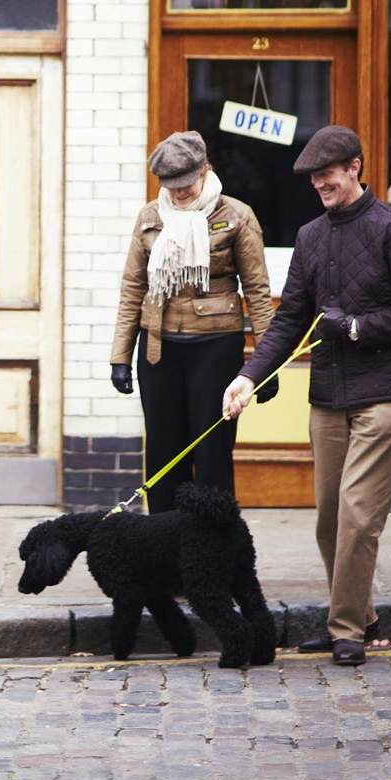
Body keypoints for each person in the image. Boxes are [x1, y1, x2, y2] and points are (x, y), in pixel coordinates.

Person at [222, 125, 391, 666]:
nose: (320, 182)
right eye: (314, 176)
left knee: (358, 514)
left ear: (356, 168)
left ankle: (345, 628)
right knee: (328, 518)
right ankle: (361, 614)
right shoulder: (310, 237)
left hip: (386, 392)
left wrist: (358, 328)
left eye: (329, 172)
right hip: (328, 395)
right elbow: (291, 317)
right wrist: (249, 375)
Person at [110, 130, 277, 513]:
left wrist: (265, 365)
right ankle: (163, 548)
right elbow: (133, 286)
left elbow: (257, 291)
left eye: (186, 184)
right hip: (158, 349)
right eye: (170, 186)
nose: (179, 193)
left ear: (205, 170)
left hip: (216, 348)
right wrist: (119, 356)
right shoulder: (150, 217)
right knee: (164, 453)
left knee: (212, 454)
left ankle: (215, 551)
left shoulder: (236, 216)